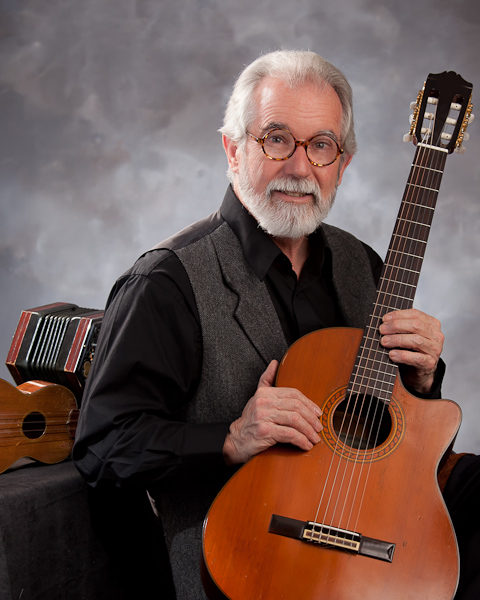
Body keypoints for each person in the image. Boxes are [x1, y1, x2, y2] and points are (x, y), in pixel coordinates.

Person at [73, 50, 478, 599]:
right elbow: (104, 448)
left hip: (372, 534)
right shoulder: (166, 284)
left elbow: (385, 418)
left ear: (343, 163)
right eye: (276, 138)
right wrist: (231, 438)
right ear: (232, 149)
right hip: (249, 549)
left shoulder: (363, 266)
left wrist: (425, 378)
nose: (300, 166)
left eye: (321, 145)